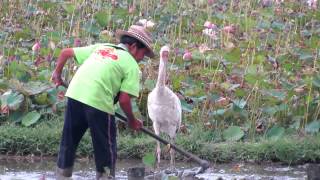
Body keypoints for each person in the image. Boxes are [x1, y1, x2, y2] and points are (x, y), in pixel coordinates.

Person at [51, 25, 155, 179]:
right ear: (133, 47)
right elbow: (124, 99)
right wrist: (132, 120)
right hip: (99, 102)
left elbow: (65, 52)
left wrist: (57, 74)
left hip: (75, 95)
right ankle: (105, 177)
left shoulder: (102, 47)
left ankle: (62, 176)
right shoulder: (132, 65)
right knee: (105, 148)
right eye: (143, 54)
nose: (142, 59)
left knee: (68, 142)